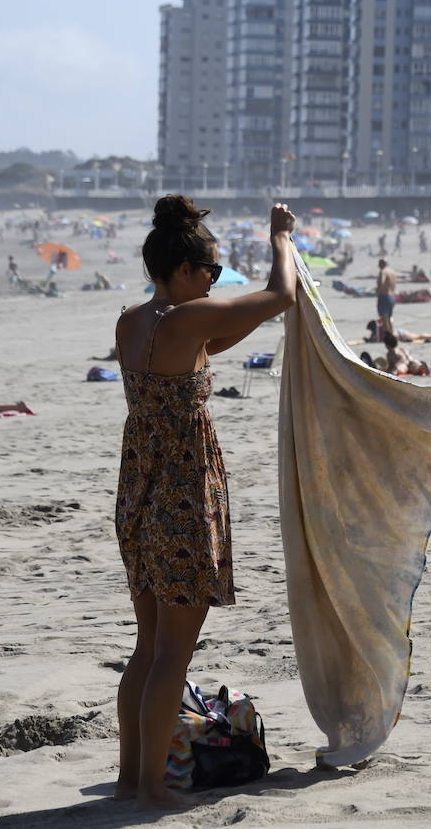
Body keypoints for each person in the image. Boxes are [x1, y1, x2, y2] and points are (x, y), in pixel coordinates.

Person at [112, 195, 296, 809]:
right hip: (182, 495)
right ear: (185, 270)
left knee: (147, 646)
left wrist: (236, 314)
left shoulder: (134, 321)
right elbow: (282, 295)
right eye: (212, 271)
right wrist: (280, 238)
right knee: (174, 652)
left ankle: (131, 775)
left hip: (139, 490)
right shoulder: (183, 321)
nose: (215, 281)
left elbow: (212, 344)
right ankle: (154, 789)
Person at [375, 258, 397, 327]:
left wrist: (378, 291)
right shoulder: (392, 272)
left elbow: (382, 282)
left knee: (384, 319)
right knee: (389, 318)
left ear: (381, 264)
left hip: (384, 296)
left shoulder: (383, 271)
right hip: (392, 296)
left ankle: (388, 335)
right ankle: (392, 334)